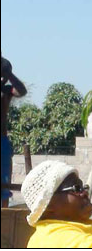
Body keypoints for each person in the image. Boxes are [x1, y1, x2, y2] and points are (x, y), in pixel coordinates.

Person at [1, 55, 27, 207]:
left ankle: (3, 217)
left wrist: (9, 74)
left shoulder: (6, 91)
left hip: (2, 142)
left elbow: (21, 91)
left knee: (3, 183)